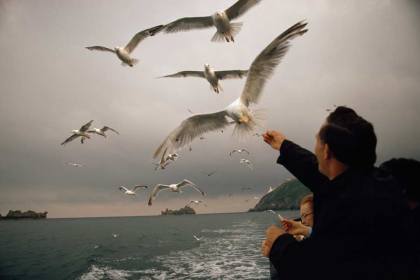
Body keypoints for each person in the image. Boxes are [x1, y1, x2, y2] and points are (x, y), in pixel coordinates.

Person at [261, 106, 415, 280]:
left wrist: (279, 245)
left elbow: (321, 267)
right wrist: (284, 146)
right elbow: (316, 172)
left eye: (317, 141)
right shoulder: (379, 183)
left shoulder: (346, 207)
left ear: (326, 151)